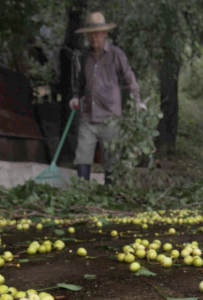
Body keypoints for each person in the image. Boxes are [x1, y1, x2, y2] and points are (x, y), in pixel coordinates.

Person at [70, 11, 146, 184]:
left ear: (105, 34)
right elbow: (80, 81)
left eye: (97, 33)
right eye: (90, 34)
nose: (93, 37)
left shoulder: (116, 54)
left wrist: (137, 101)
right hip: (88, 115)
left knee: (111, 161)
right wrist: (75, 97)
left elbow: (129, 77)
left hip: (110, 117)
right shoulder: (84, 56)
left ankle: (110, 197)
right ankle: (81, 195)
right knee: (83, 157)